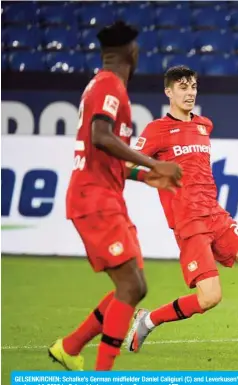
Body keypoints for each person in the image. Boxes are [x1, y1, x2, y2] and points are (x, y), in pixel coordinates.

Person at [124, 65, 238, 358]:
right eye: (183, 87)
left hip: (215, 213)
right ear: (168, 92)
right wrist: (152, 175)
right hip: (189, 221)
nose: (189, 93)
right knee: (210, 297)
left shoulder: (204, 125)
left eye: (193, 87)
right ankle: (149, 320)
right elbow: (125, 166)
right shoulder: (157, 130)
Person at [48, 21, 182, 371]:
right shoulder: (110, 85)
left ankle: (70, 346)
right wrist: (155, 162)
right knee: (131, 285)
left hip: (105, 197)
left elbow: (109, 156)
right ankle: (102, 373)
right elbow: (101, 137)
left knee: (133, 284)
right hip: (95, 199)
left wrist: (145, 175)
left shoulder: (102, 84)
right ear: (131, 52)